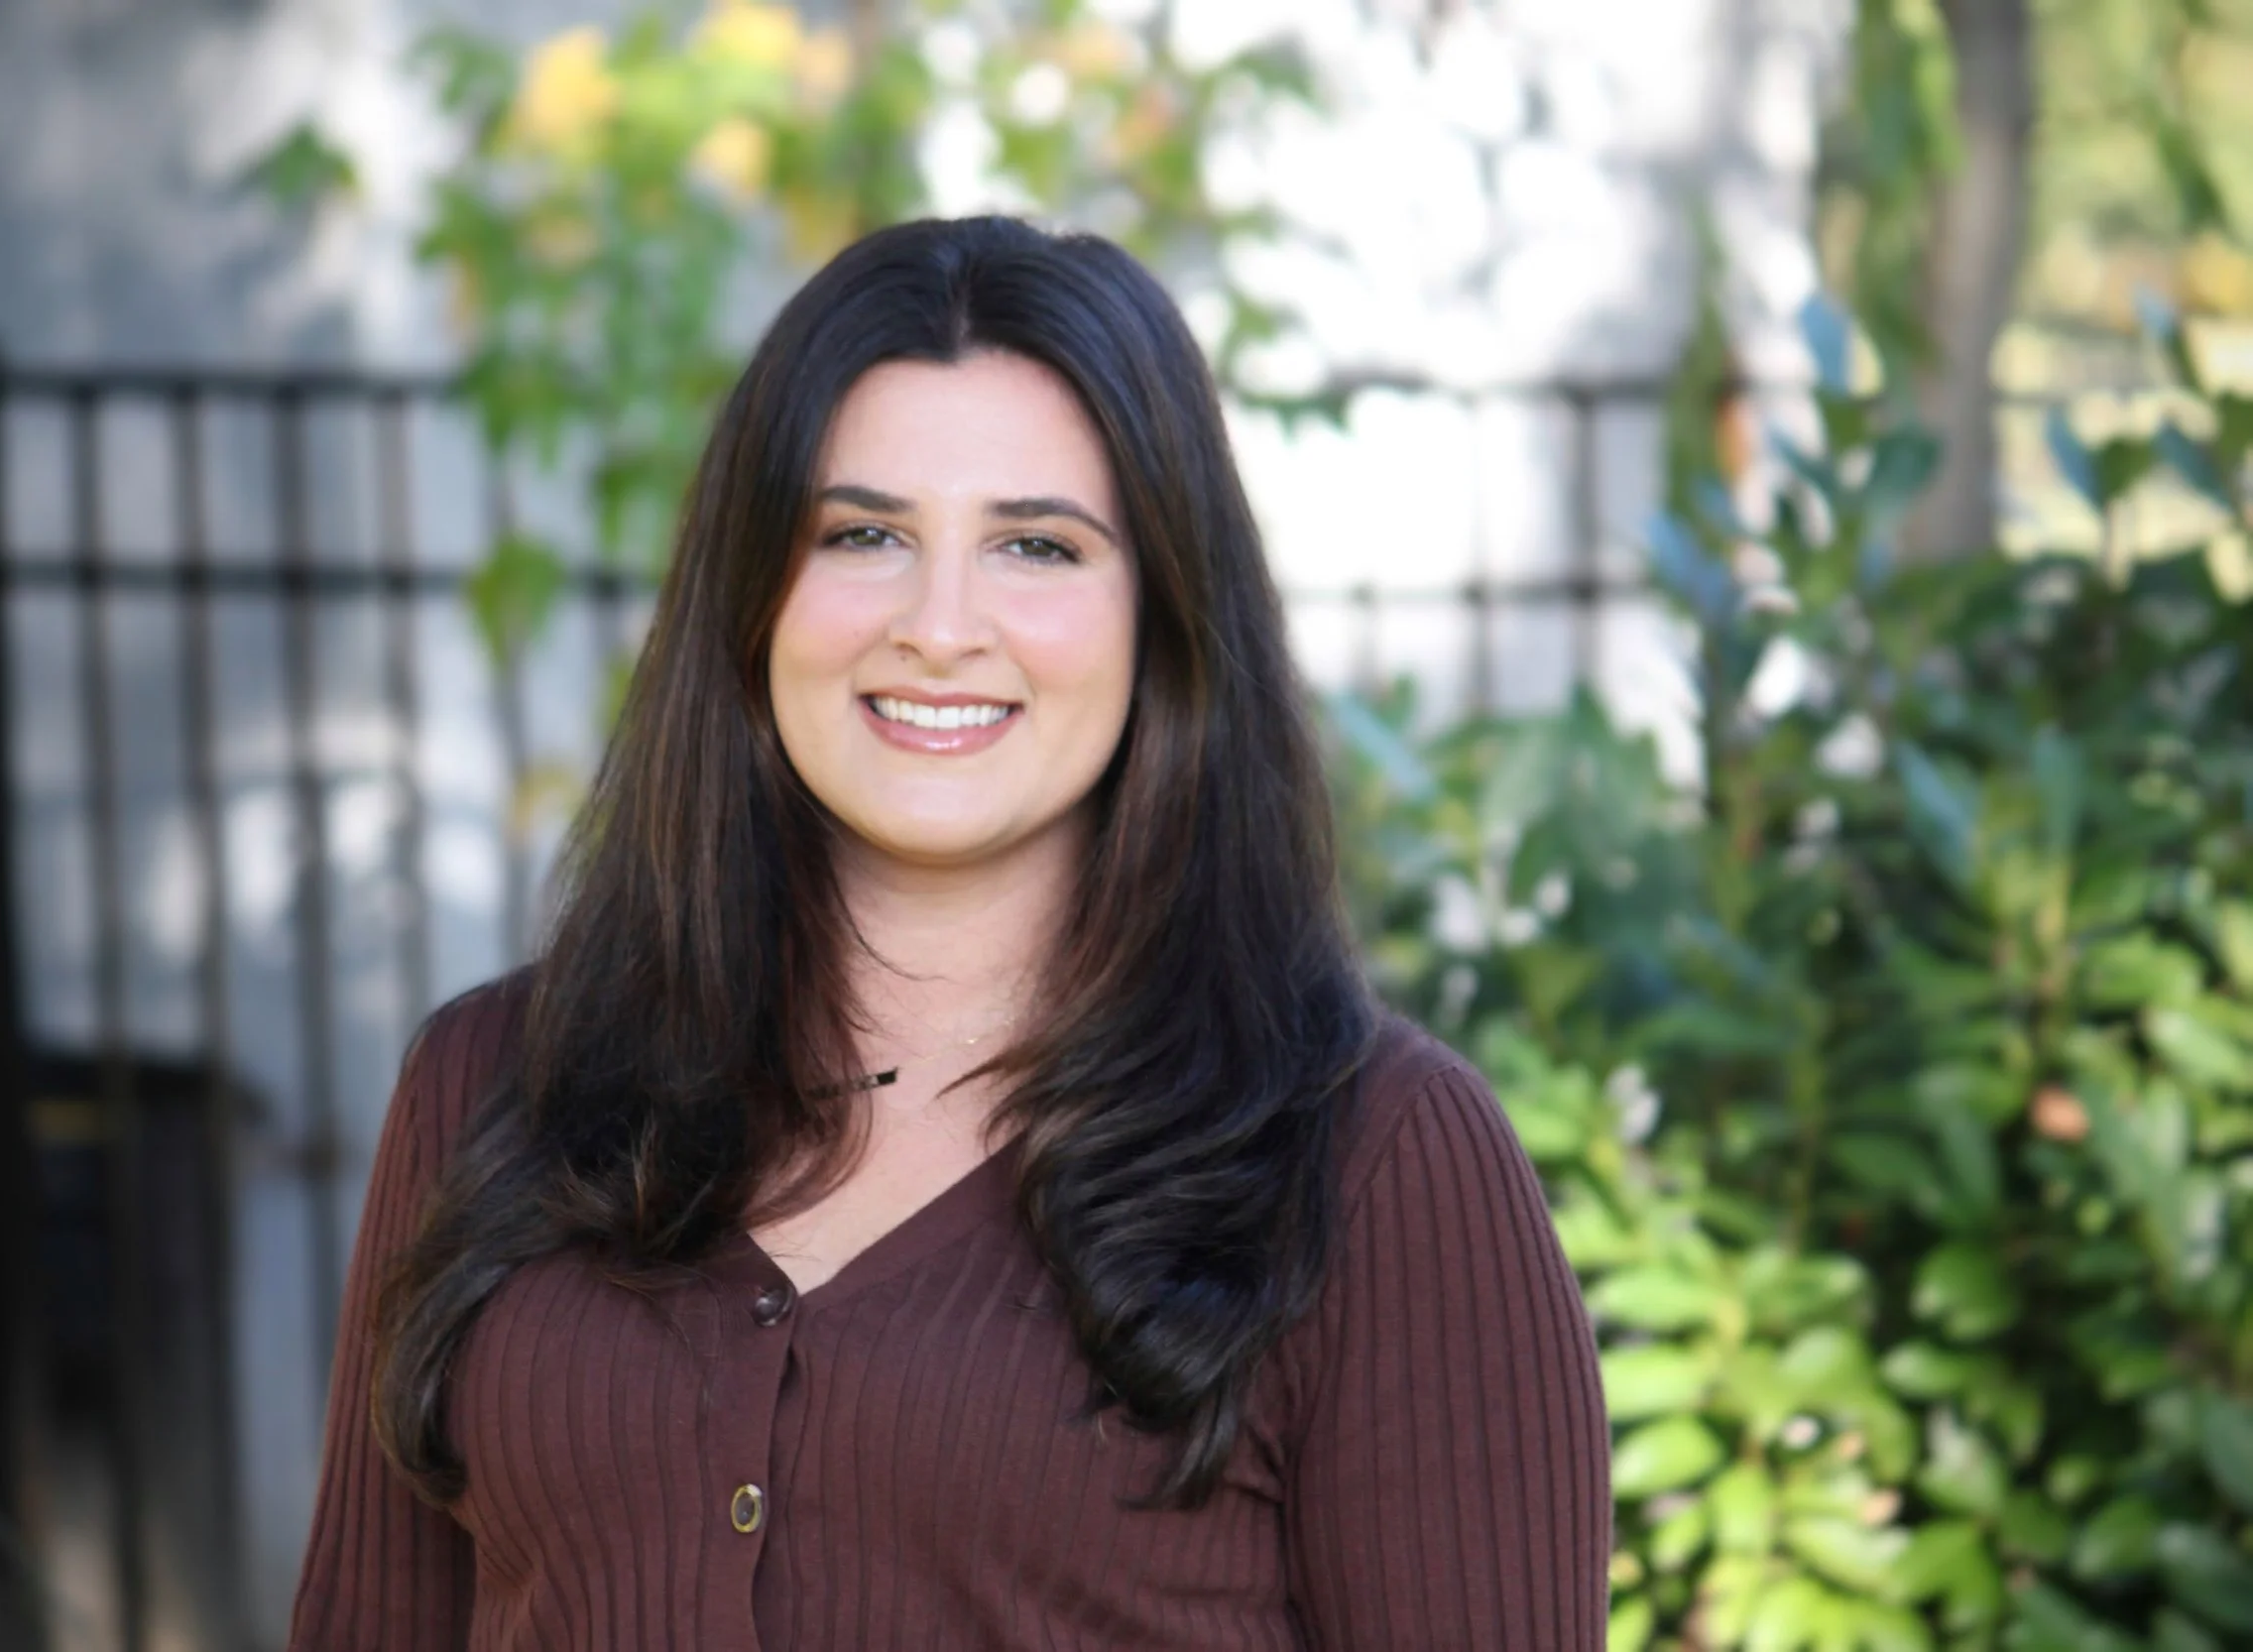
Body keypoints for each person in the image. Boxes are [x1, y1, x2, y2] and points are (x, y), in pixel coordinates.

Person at [289, 214, 1609, 1650]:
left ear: (1162, 621)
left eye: (1037, 546)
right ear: (752, 596)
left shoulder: (1372, 1159)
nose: (940, 624)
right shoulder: (497, 1087)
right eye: (864, 534)